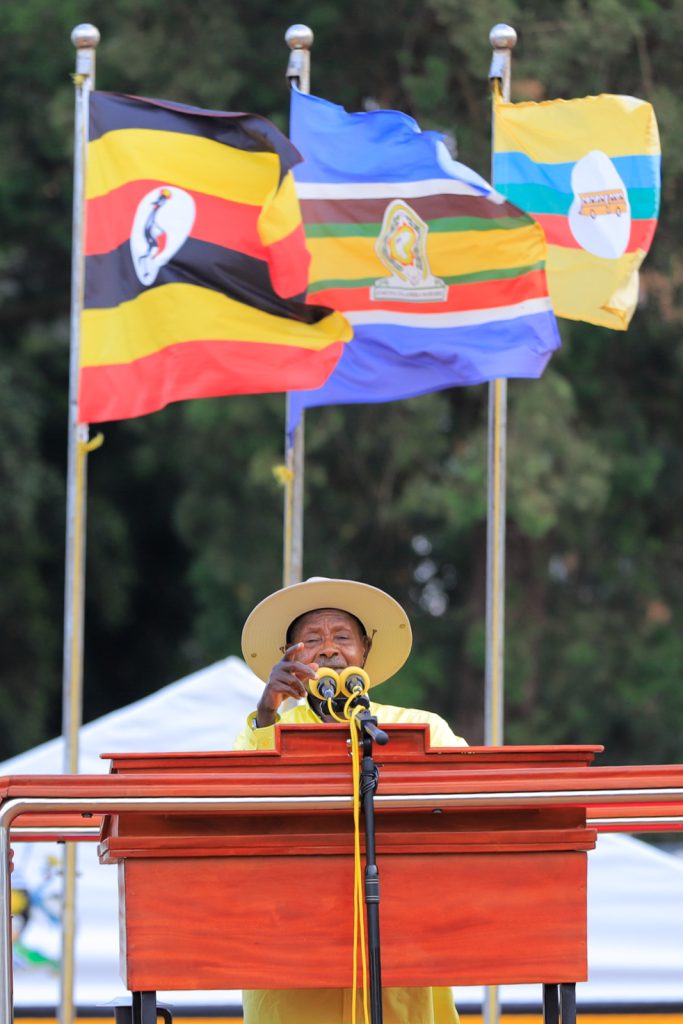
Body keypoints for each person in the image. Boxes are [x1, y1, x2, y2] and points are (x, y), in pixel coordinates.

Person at [234, 577, 466, 1024]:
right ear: (289, 655)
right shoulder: (266, 731)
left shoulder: (419, 726)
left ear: (365, 651)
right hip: (295, 950)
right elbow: (238, 801)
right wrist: (268, 712)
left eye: (342, 637)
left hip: (404, 948)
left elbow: (465, 796)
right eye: (310, 640)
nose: (327, 649)